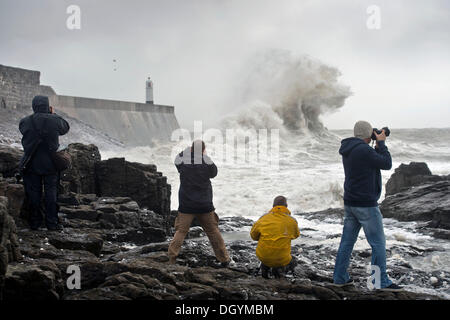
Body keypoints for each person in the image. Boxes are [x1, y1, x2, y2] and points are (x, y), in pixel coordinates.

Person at [333, 120, 402, 291]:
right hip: (366, 205)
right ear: (367, 134)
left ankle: (339, 277)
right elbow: (386, 163)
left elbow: (373, 161)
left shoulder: (349, 149)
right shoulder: (364, 150)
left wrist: (376, 144)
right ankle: (379, 281)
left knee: (347, 242)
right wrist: (381, 142)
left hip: (350, 202)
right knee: (378, 243)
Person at [168, 140, 230, 266]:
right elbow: (214, 173)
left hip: (186, 205)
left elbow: (176, 160)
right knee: (213, 231)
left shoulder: (183, 161)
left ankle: (172, 258)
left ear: (191, 149)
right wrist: (204, 155)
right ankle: (224, 259)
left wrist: (187, 151)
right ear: (203, 149)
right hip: (204, 204)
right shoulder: (206, 161)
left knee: (181, 231)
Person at [19, 96, 70, 231]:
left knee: (33, 194)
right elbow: (65, 128)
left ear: (33, 106)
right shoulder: (54, 120)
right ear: (47, 106)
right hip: (51, 164)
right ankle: (52, 223)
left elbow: (23, 131)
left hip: (31, 163)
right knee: (51, 194)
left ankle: (35, 223)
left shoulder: (25, 121)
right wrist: (52, 114)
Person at [250, 196, 300, 279]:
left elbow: (254, 236)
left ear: (273, 206)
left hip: (263, 256)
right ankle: (279, 272)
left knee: (267, 257)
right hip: (282, 258)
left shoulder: (263, 218)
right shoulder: (292, 221)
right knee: (293, 261)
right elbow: (296, 235)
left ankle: (265, 269)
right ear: (286, 206)